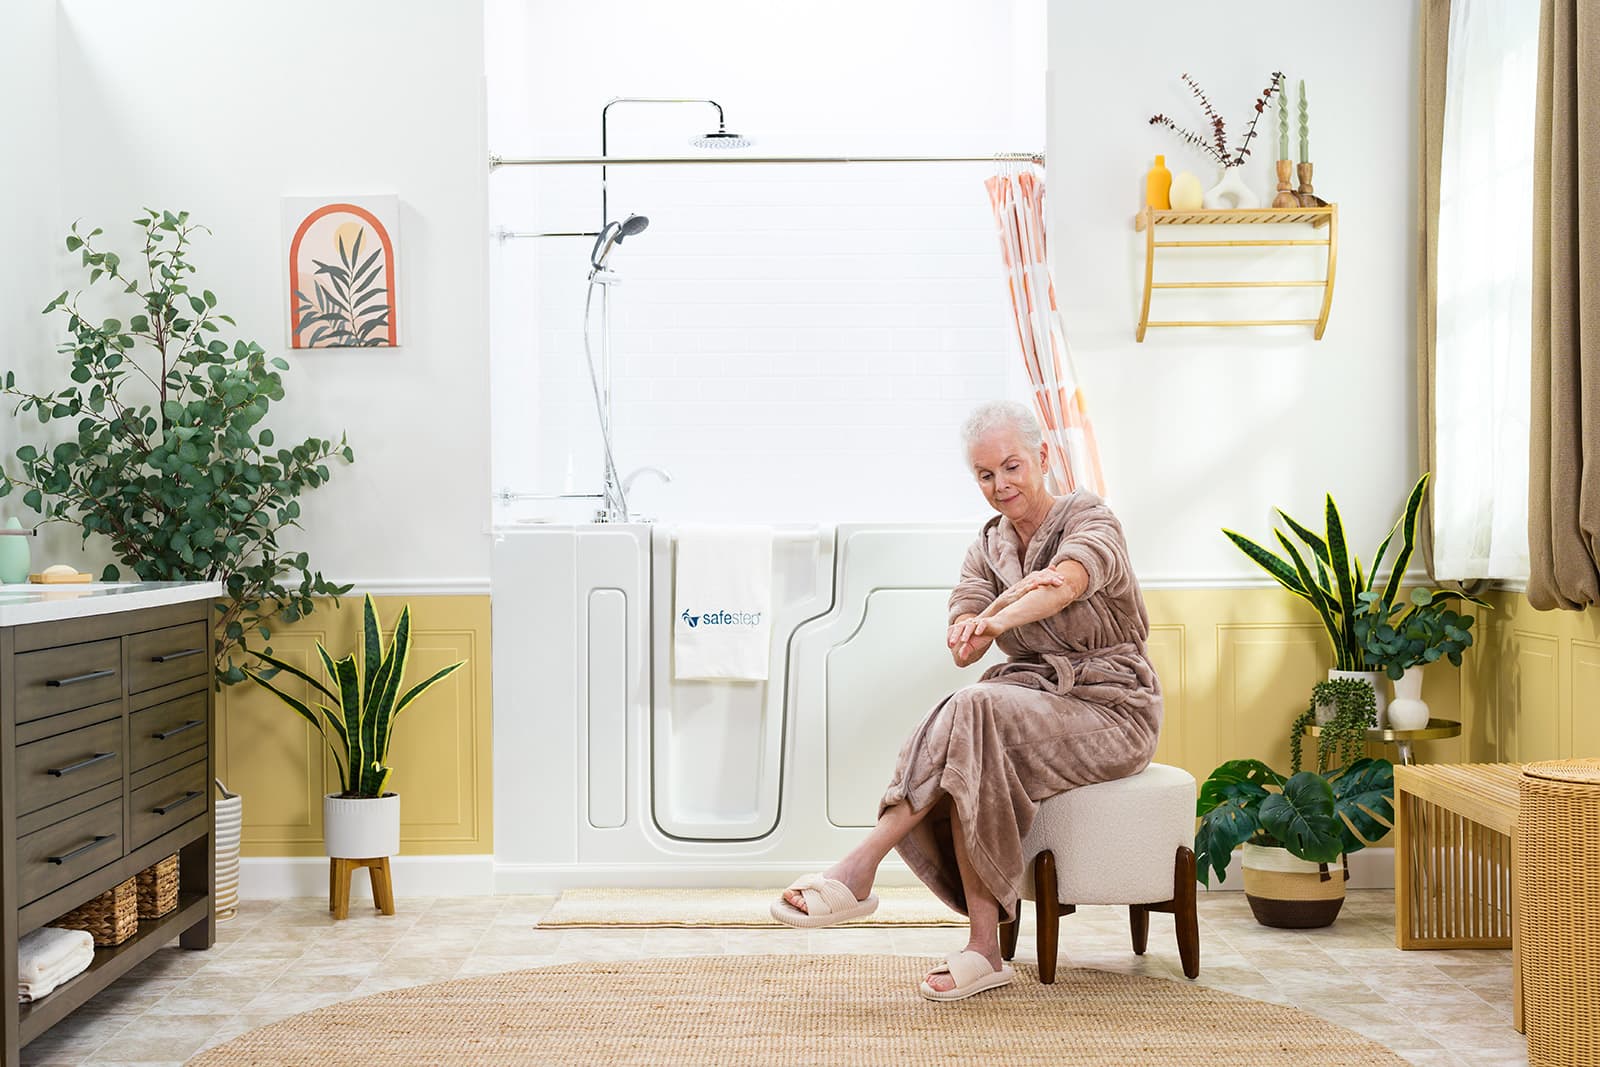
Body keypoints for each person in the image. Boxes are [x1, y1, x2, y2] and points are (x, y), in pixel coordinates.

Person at [770, 400, 1162, 1001]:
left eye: (1011, 467)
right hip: (1033, 699)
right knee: (970, 715)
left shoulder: (1090, 517)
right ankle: (981, 949)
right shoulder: (988, 546)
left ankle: (861, 868)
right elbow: (964, 639)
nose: (1000, 486)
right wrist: (967, 625)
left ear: (1043, 457)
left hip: (1113, 708)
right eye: (985, 475)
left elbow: (1065, 584)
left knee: (974, 710)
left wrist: (995, 616)